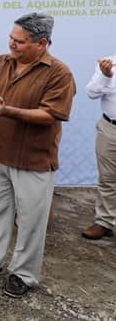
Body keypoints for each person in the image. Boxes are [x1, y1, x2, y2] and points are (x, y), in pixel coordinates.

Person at [0, 12, 75, 298]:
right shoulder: (1, 62)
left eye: (20, 42)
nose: (12, 44)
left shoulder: (59, 73)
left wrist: (8, 111)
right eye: (11, 38)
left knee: (31, 221)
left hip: (33, 160)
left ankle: (24, 274)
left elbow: (51, 114)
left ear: (42, 43)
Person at [82, 54, 116, 240]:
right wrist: (106, 76)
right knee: (108, 178)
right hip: (110, 129)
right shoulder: (108, 63)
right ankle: (104, 222)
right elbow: (91, 93)